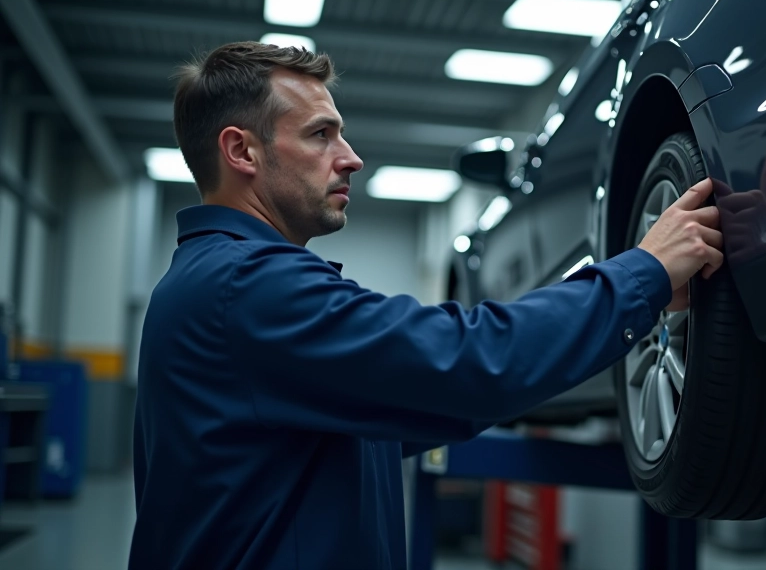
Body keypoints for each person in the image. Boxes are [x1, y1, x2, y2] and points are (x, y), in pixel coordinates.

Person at [128, 41, 724, 570]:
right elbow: (464, 362)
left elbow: (406, 406)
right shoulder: (248, 286)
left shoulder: (215, 283)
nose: (350, 156)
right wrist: (642, 275)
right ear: (242, 152)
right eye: (320, 134)